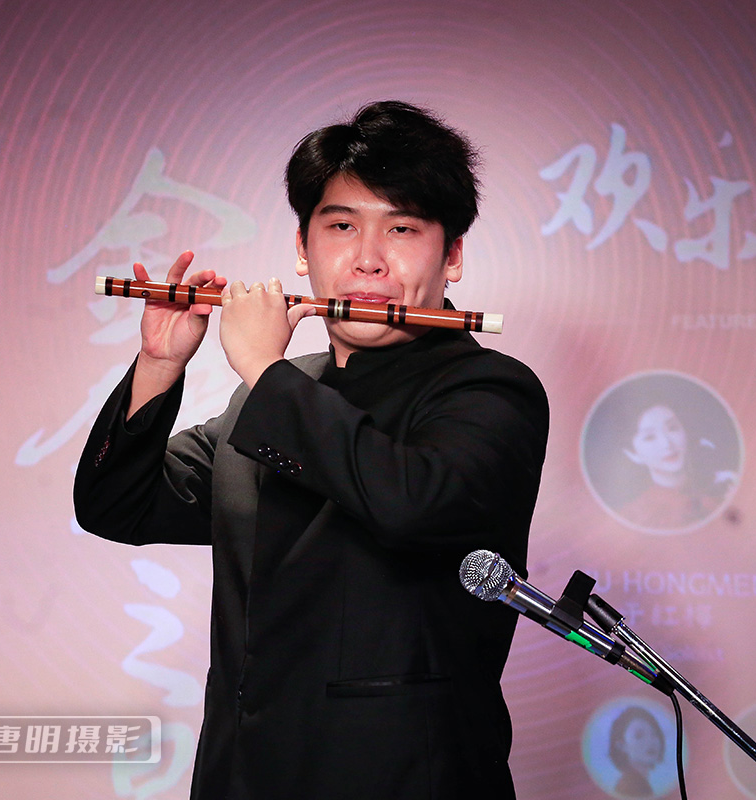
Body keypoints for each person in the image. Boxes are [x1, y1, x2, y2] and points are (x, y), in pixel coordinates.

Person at [75, 100, 548, 799]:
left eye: (403, 229)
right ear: (303, 248)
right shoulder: (275, 396)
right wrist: (159, 364)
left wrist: (265, 371)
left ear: (451, 255)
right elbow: (118, 506)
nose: (368, 260)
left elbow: (412, 504)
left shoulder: (490, 391)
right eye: (341, 226)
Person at [616, 403, 731, 531]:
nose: (667, 444)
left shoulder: (725, 487)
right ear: (633, 454)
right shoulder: (633, 517)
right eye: (650, 437)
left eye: (672, 428)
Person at [607, 705, 665, 798]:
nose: (650, 741)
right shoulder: (630, 786)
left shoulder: (640, 783)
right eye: (639, 736)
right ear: (622, 745)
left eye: (654, 734)